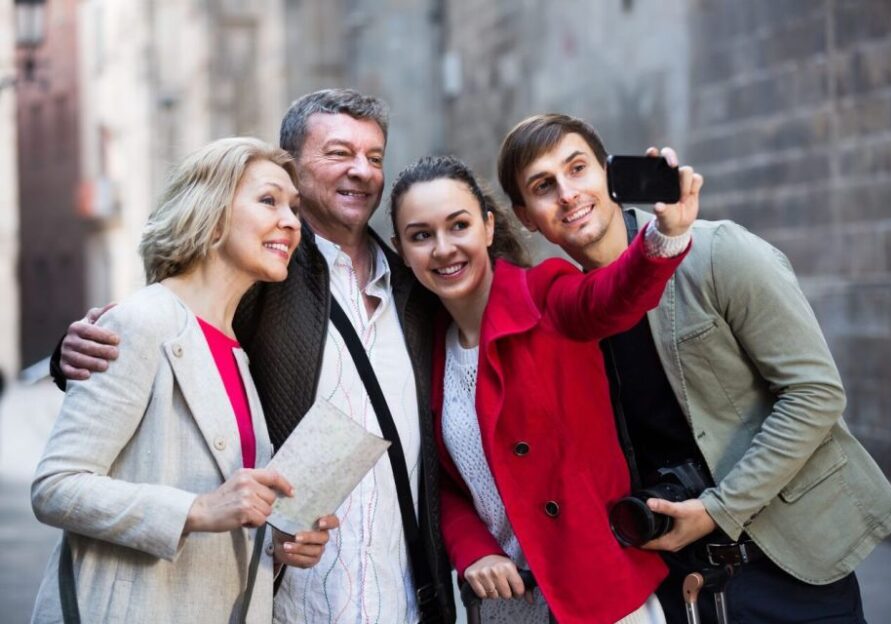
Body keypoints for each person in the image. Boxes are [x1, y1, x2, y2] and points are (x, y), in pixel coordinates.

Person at [50, 90, 455, 623]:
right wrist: (70, 355)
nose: (362, 171)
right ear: (293, 164)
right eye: (338, 153)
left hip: (403, 597)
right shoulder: (262, 271)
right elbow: (168, 323)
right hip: (284, 605)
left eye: (374, 157)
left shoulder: (417, 285)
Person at [495, 113, 891, 623]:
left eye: (578, 169)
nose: (568, 193)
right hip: (676, 590)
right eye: (543, 186)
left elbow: (815, 394)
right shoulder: (564, 317)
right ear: (525, 215)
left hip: (792, 570)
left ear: (608, 174)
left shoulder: (717, 252)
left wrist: (718, 509)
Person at [31, 137, 338, 623]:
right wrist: (196, 509)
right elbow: (55, 487)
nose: (291, 222)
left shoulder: (236, 349)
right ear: (212, 213)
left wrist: (275, 541)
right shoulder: (140, 323)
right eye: (268, 201)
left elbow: (223, 502)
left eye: (293, 209)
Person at [388, 154, 701, 623]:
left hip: (601, 596)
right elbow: (446, 484)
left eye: (459, 226)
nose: (443, 249)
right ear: (401, 249)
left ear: (488, 228)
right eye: (421, 236)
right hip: (510, 606)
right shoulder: (426, 346)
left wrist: (664, 236)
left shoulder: (545, 295)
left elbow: (612, 295)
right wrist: (474, 551)